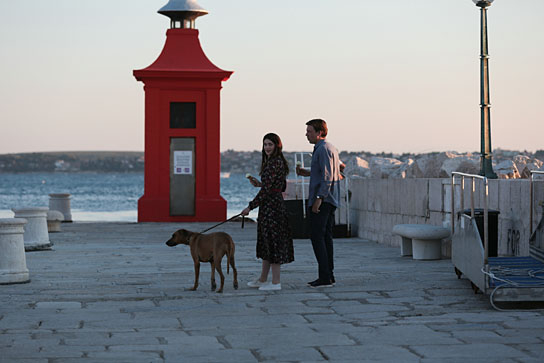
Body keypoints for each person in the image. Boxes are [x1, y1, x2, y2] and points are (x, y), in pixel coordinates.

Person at [241, 133, 294, 291]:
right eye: (265, 144)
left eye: (270, 144)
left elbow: (268, 191)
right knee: (266, 242)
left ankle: (276, 282)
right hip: (271, 206)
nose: (267, 147)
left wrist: (249, 207)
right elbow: (278, 187)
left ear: (277, 145)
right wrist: (260, 184)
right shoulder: (276, 162)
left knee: (273, 243)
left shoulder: (274, 163)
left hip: (273, 208)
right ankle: (263, 279)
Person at [296, 119, 341, 288]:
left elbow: (327, 177)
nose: (306, 134)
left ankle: (325, 276)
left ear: (319, 132)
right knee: (325, 237)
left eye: (309, 131)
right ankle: (328, 275)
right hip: (329, 199)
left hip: (324, 200)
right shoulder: (328, 149)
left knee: (317, 237)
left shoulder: (323, 149)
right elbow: (324, 172)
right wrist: (305, 172)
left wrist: (318, 199)